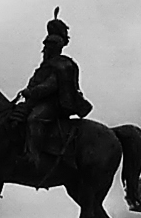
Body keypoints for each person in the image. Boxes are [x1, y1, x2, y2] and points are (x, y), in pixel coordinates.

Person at [16, 16, 90, 178]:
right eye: (45, 46)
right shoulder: (46, 65)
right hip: (38, 101)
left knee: (34, 119)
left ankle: (33, 156)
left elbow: (51, 85)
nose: (45, 50)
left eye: (48, 46)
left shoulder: (63, 64)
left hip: (54, 104)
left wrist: (32, 92)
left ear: (56, 47)